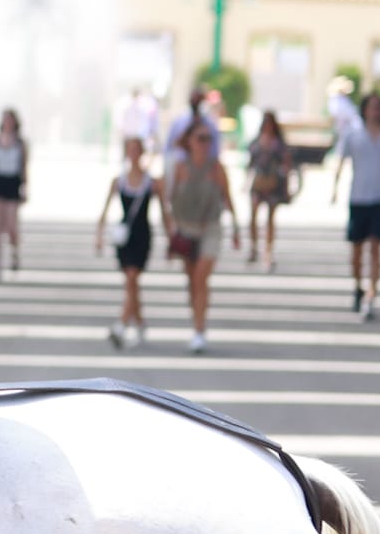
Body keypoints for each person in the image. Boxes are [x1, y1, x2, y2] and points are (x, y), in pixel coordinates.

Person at [330, 91, 380, 322]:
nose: (375, 112)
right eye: (371, 107)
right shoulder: (353, 134)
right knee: (356, 249)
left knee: (375, 247)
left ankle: (372, 293)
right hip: (358, 197)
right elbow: (341, 161)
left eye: (379, 107)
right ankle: (357, 286)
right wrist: (334, 188)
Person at [167, 118, 239, 353]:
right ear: (190, 141)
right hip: (187, 228)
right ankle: (197, 317)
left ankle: (199, 330)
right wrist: (171, 231)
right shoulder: (180, 167)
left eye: (208, 139)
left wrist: (237, 228)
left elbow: (228, 198)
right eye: (200, 138)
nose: (204, 143)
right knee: (191, 282)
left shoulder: (216, 168)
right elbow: (170, 200)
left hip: (210, 227)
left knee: (200, 279)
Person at [95, 135, 168, 349]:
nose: (134, 153)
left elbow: (165, 212)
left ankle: (122, 323)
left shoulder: (152, 183)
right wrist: (99, 235)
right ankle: (140, 323)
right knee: (131, 281)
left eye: (137, 149)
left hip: (142, 235)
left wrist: (171, 238)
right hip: (124, 237)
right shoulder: (118, 181)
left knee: (132, 278)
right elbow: (105, 210)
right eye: (130, 149)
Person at [245, 110, 294, 272]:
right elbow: (250, 163)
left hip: (273, 183)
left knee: (270, 219)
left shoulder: (278, 144)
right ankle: (253, 246)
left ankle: (268, 251)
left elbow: (286, 164)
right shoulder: (257, 142)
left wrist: (286, 185)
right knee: (253, 215)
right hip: (258, 182)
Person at [0, 108, 27, 280]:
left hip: (13, 182)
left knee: (11, 225)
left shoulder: (20, 143)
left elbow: (24, 166)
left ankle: (15, 252)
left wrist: (25, 187)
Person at [164, 85, 221, 162]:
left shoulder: (210, 124)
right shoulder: (179, 122)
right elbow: (170, 147)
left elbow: (214, 152)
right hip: (182, 166)